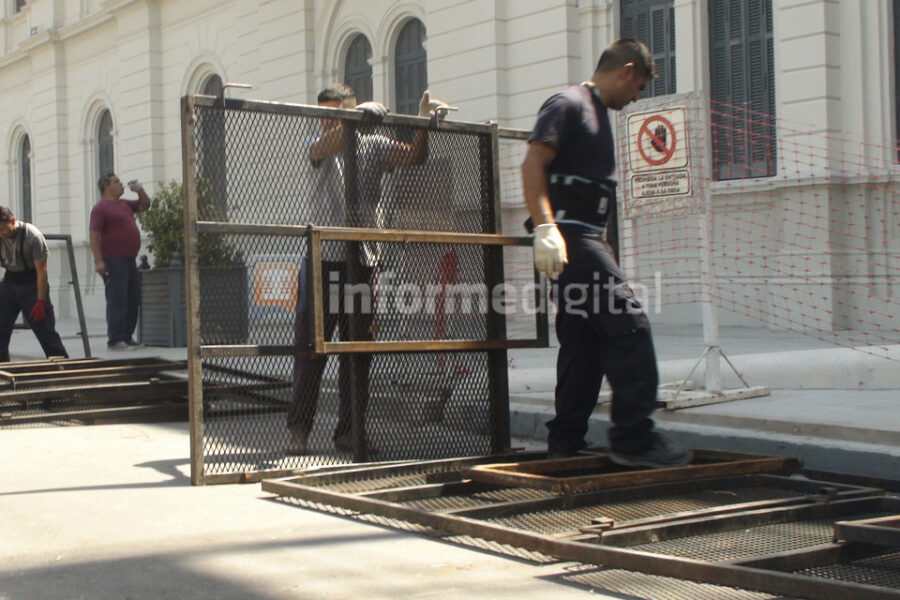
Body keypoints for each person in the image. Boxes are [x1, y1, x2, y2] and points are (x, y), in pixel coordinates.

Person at [521, 38, 691, 467]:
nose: (635, 98)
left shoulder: (596, 113)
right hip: (571, 239)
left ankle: (565, 443)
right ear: (626, 71)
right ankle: (635, 439)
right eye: (638, 87)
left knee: (583, 341)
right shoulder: (568, 104)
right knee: (629, 326)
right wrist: (545, 228)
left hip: (585, 237)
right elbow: (533, 163)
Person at [286, 83, 450, 455]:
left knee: (358, 351)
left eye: (337, 113)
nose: (329, 121)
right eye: (325, 115)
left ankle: (350, 430)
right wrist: (354, 120)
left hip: (363, 259)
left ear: (351, 107)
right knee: (312, 349)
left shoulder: (373, 145)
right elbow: (322, 148)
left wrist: (423, 124)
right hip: (324, 259)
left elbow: (414, 158)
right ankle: (298, 428)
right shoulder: (316, 144)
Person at [89, 173, 150, 350]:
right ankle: (115, 339)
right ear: (106, 187)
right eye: (116, 182)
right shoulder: (101, 208)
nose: (121, 184)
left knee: (132, 297)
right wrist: (98, 260)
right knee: (117, 298)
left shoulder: (124, 204)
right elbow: (94, 235)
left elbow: (145, 205)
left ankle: (127, 337)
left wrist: (139, 190)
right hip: (113, 259)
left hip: (129, 258)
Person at [0, 206, 69, 362]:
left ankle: (63, 368)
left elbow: (42, 272)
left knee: (46, 332)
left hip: (32, 283)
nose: (1, 234)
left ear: (12, 221)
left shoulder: (33, 236)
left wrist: (40, 301)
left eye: (3, 230)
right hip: (10, 281)